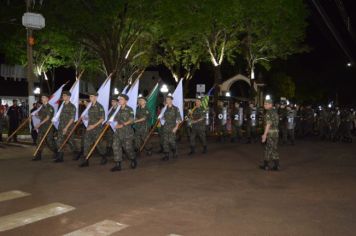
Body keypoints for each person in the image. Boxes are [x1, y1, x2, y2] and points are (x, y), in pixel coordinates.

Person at [78, 91, 107, 167]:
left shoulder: (100, 106)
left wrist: (93, 126)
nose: (90, 98)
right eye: (90, 96)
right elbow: (90, 116)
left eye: (92, 96)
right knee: (86, 143)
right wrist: (85, 117)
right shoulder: (90, 106)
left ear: (96, 97)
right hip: (89, 128)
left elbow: (102, 119)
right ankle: (86, 160)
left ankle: (104, 156)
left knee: (98, 144)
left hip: (97, 128)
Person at [111, 94, 137, 171]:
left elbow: (132, 120)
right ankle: (118, 164)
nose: (119, 100)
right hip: (118, 132)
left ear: (126, 101)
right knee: (115, 147)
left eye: (121, 99)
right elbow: (114, 119)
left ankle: (133, 159)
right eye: (119, 99)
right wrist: (111, 121)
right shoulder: (117, 110)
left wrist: (122, 125)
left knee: (128, 148)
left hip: (127, 132)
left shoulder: (129, 109)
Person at [54, 91, 78, 163]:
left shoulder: (72, 106)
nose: (63, 97)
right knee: (59, 141)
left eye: (64, 95)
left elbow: (72, 119)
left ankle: (76, 152)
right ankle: (60, 157)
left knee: (71, 141)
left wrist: (66, 128)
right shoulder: (63, 105)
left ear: (68, 97)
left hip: (69, 127)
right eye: (63, 95)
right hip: (61, 126)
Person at [32, 94, 57, 161]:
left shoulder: (50, 107)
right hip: (42, 127)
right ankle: (38, 156)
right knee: (39, 140)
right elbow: (39, 115)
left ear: (47, 99)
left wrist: (39, 124)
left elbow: (47, 118)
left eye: (43, 97)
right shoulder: (42, 107)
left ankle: (56, 151)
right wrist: (35, 114)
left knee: (49, 141)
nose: (42, 99)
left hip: (48, 127)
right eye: (41, 98)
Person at [260, 97, 280, 171]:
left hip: (270, 133)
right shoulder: (275, 111)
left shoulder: (268, 112)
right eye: (264, 104)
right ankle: (277, 165)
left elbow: (268, 124)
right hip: (276, 133)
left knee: (268, 149)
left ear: (270, 104)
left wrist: (265, 135)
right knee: (274, 149)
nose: (264, 105)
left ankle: (266, 165)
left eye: (266, 104)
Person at [161, 93, 182, 161]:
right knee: (165, 142)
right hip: (165, 127)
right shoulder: (164, 109)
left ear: (171, 100)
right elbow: (162, 117)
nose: (168, 100)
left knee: (171, 141)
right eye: (167, 99)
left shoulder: (175, 109)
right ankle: (166, 155)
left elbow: (179, 119)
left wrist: (176, 127)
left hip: (172, 127)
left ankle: (174, 150)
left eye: (169, 99)